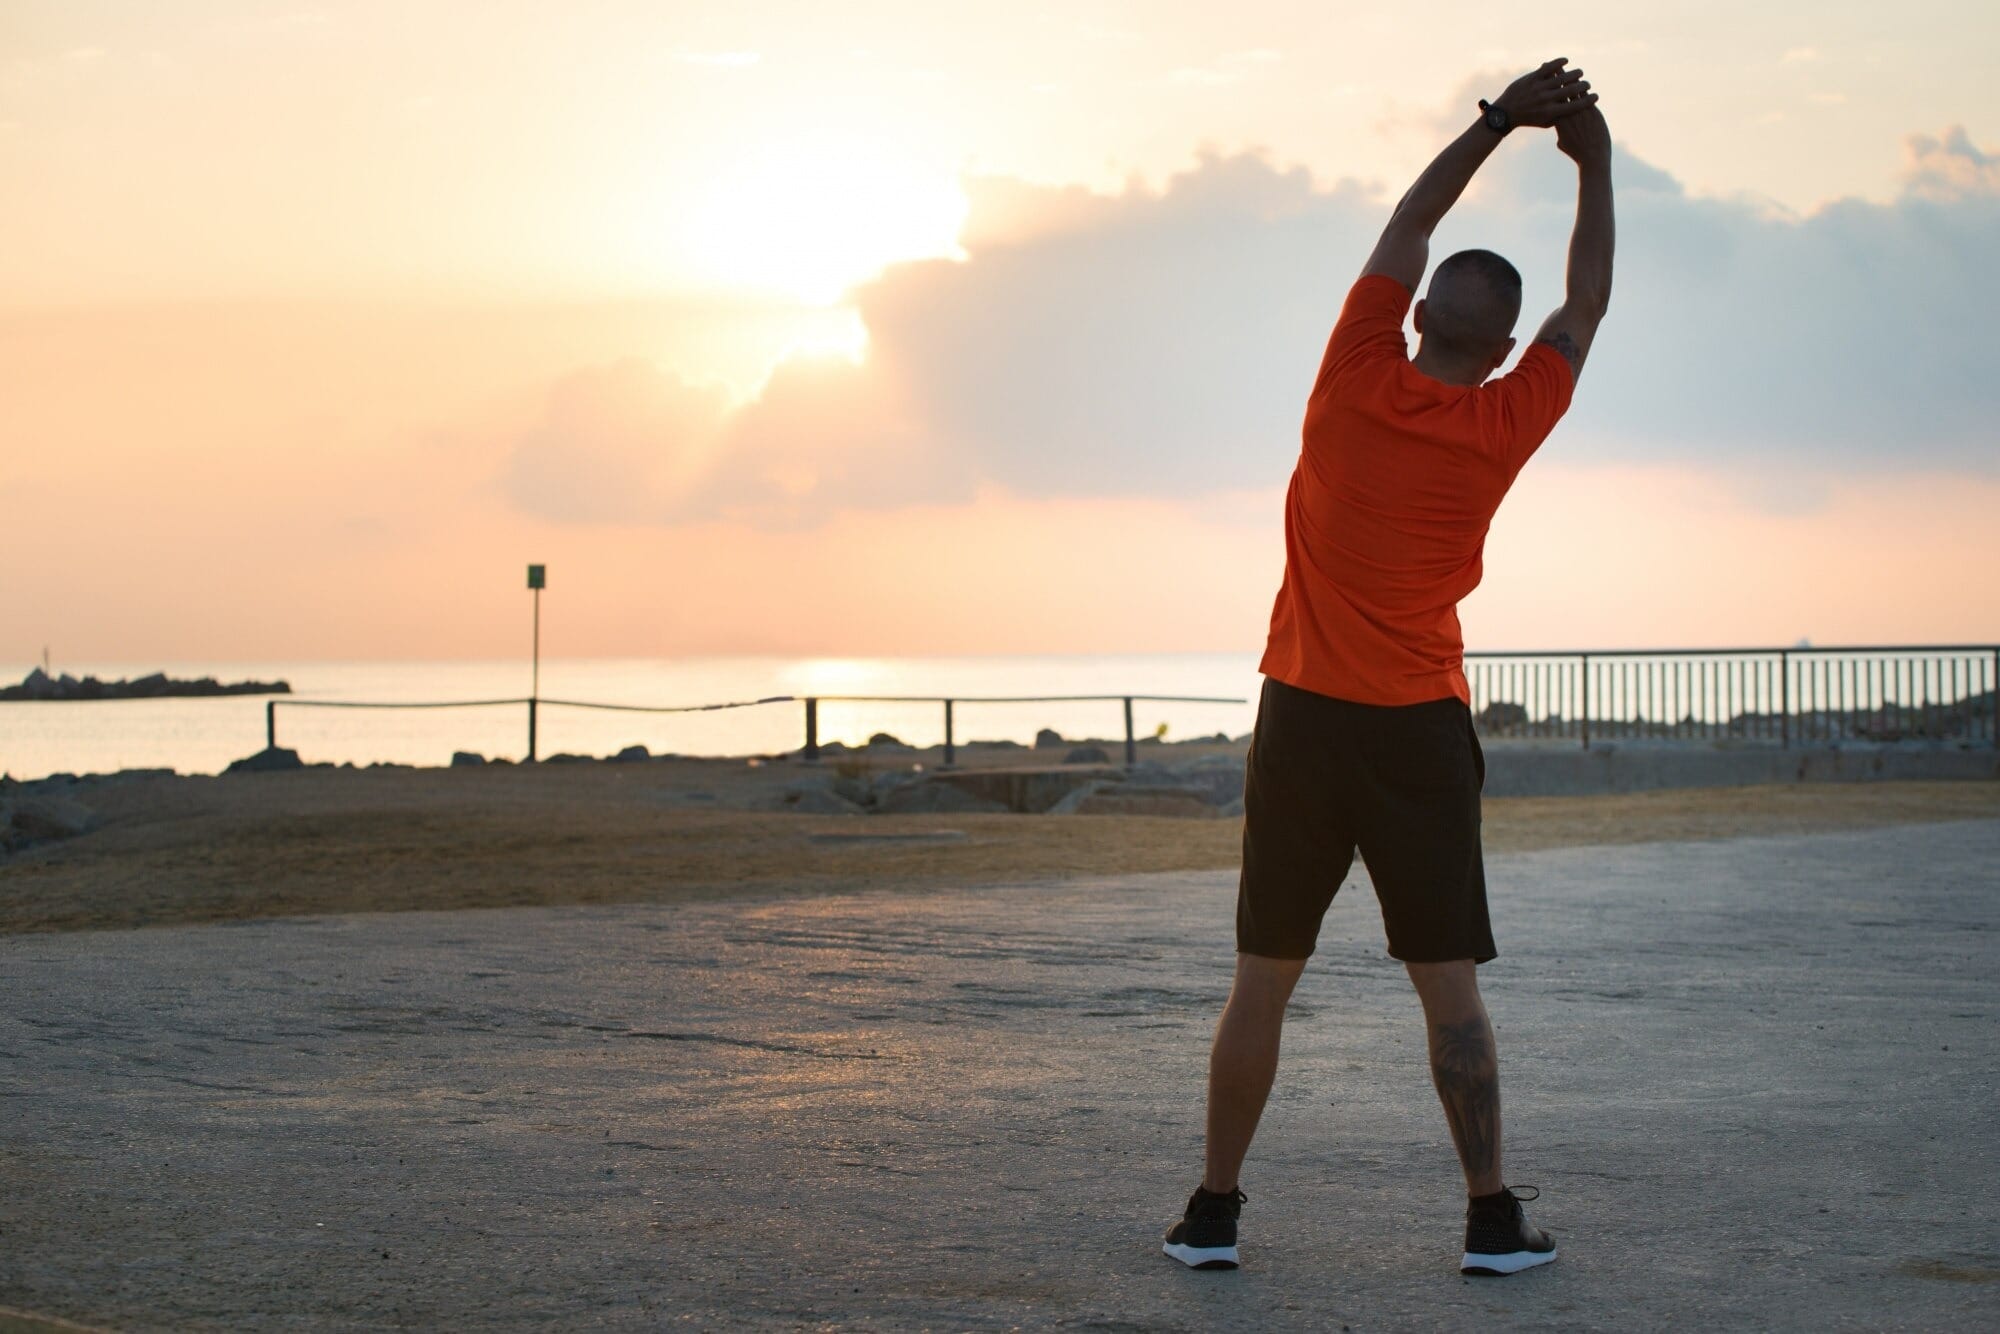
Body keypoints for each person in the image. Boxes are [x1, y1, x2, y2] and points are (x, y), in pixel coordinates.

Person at [1162, 59, 1615, 1277]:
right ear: (1503, 344)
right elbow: (1587, 302)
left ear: (1415, 316)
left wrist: (1495, 124)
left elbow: (1409, 227)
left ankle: (1211, 1215)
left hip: (1303, 718)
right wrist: (1592, 161)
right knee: (1448, 994)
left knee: (1259, 983)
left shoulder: (1348, 377)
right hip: (1415, 729)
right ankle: (1487, 1220)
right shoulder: (1504, 421)